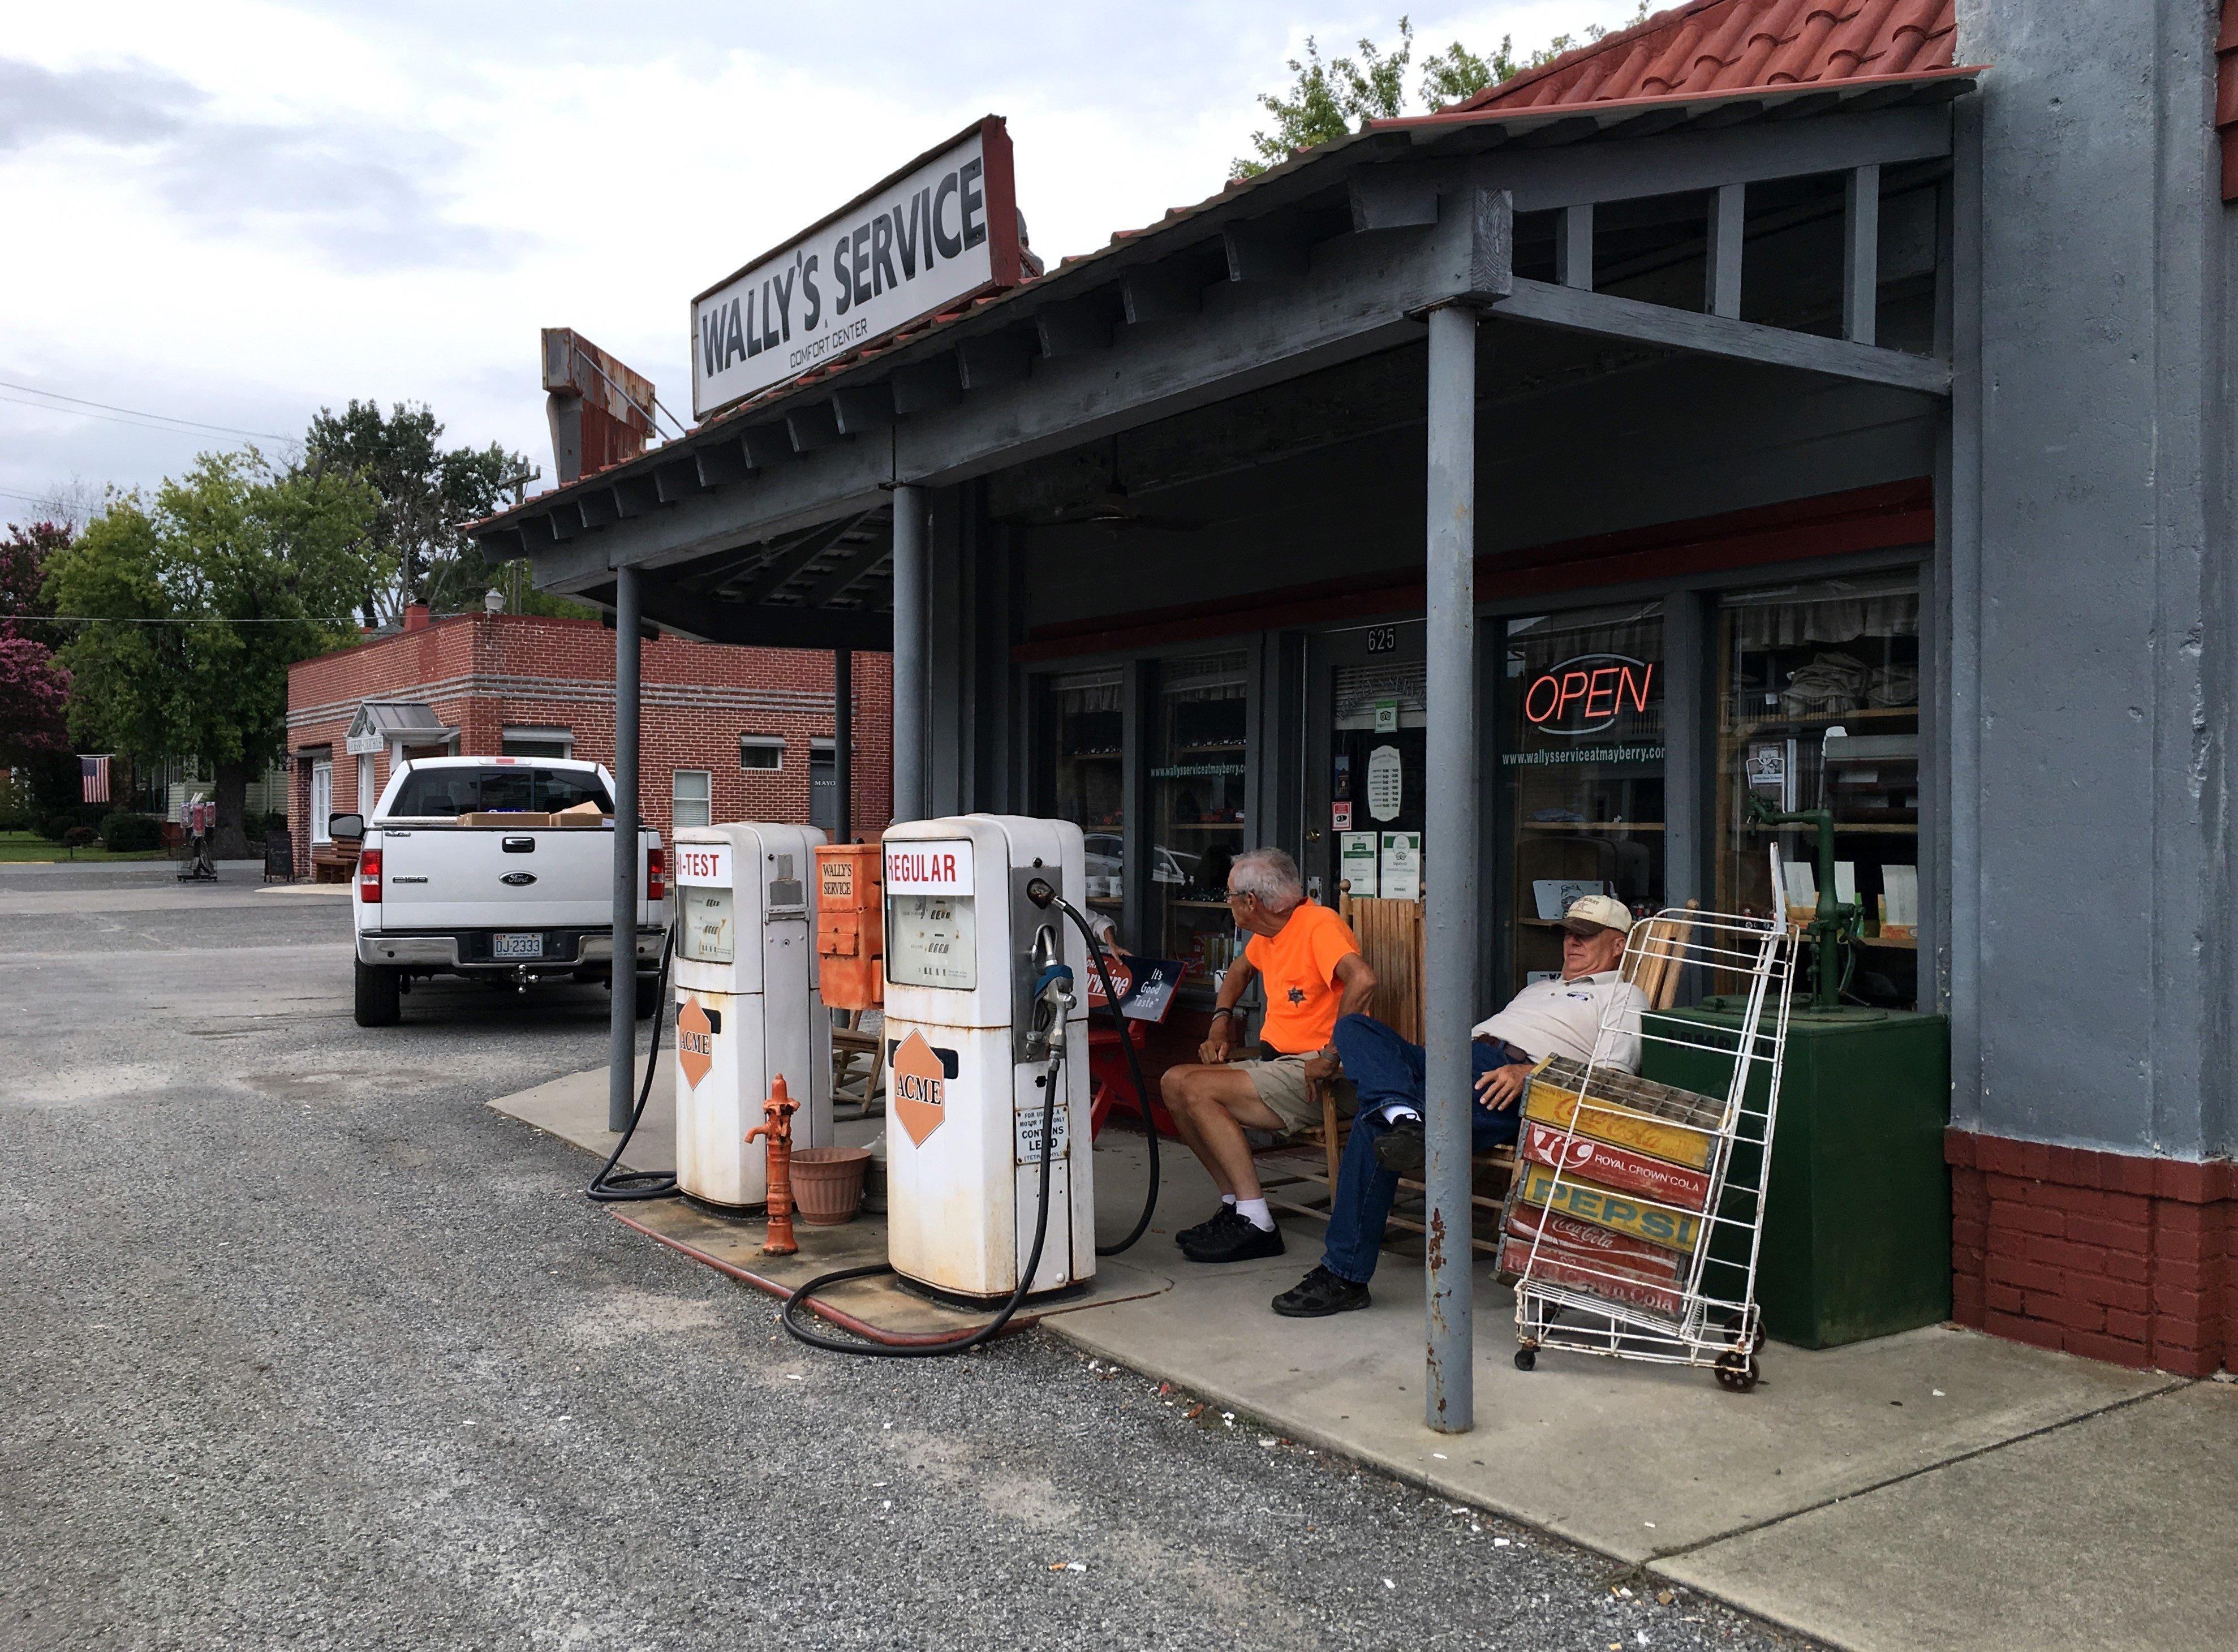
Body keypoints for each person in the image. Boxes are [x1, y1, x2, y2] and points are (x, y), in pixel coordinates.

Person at [1269, 893, 1647, 1318]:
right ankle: (1403, 1113)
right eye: (1568, 933)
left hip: (1503, 1082)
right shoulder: (1541, 987)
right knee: (1356, 1026)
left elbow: (1614, 1079)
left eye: (1587, 935)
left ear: (1619, 945)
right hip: (1450, 1059)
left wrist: (1533, 1074)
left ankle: (1345, 1274)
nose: (1572, 943)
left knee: (1373, 1124)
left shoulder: (1625, 998)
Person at [1160, 848, 1376, 1263]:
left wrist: (1332, 1053)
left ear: (1251, 902)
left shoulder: (1318, 924)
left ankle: (1258, 1224)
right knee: (1173, 1082)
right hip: (1282, 1066)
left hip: (1326, 1076)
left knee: (1199, 1089)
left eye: (1229, 895)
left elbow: (1363, 980)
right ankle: (1237, 1208)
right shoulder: (1271, 934)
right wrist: (1220, 1021)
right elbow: (1240, 972)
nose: (1227, 902)